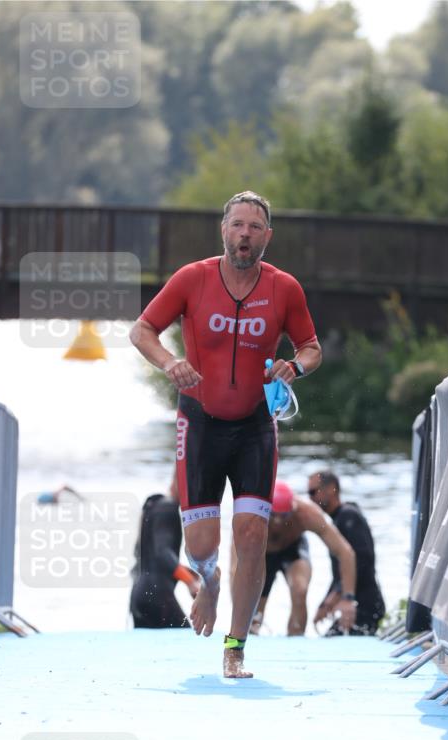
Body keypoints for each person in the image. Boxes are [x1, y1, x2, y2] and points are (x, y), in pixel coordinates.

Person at [129, 191, 321, 676]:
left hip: (255, 425)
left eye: (255, 228)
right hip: (200, 423)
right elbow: (142, 330)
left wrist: (294, 366)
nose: (245, 235)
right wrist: (171, 363)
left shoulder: (284, 288)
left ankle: (235, 646)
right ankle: (209, 585)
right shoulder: (193, 279)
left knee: (252, 533)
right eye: (237, 225)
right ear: (224, 230)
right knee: (200, 544)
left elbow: (312, 346)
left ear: (267, 237)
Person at [251, 480, 358, 636]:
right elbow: (235, 567)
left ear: (293, 509)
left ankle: (296, 640)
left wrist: (348, 598)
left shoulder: (307, 513)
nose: (279, 521)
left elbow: (345, 552)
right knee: (252, 609)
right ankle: (246, 640)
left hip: (293, 549)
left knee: (300, 590)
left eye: (284, 516)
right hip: (262, 553)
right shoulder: (252, 517)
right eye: (273, 516)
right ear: (265, 509)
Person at [308, 469, 385, 635]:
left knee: (331, 643)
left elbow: (363, 562)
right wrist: (325, 603)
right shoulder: (338, 520)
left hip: (365, 605)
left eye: (313, 492)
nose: (310, 499)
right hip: (356, 603)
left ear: (331, 489)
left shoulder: (349, 516)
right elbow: (340, 573)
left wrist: (338, 595)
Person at [130, 475, 200, 629]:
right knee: (187, 639)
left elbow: (150, 557)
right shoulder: (169, 509)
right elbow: (163, 554)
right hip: (157, 596)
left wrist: (189, 573)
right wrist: (191, 582)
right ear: (178, 482)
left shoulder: (154, 506)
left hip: (138, 596)